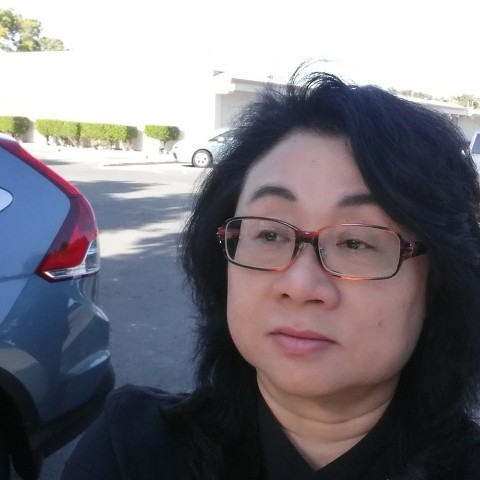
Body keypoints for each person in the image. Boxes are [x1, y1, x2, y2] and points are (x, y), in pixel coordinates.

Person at [61, 67, 480, 480]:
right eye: (270, 234)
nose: (300, 285)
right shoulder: (131, 450)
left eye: (356, 243)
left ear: (438, 282)